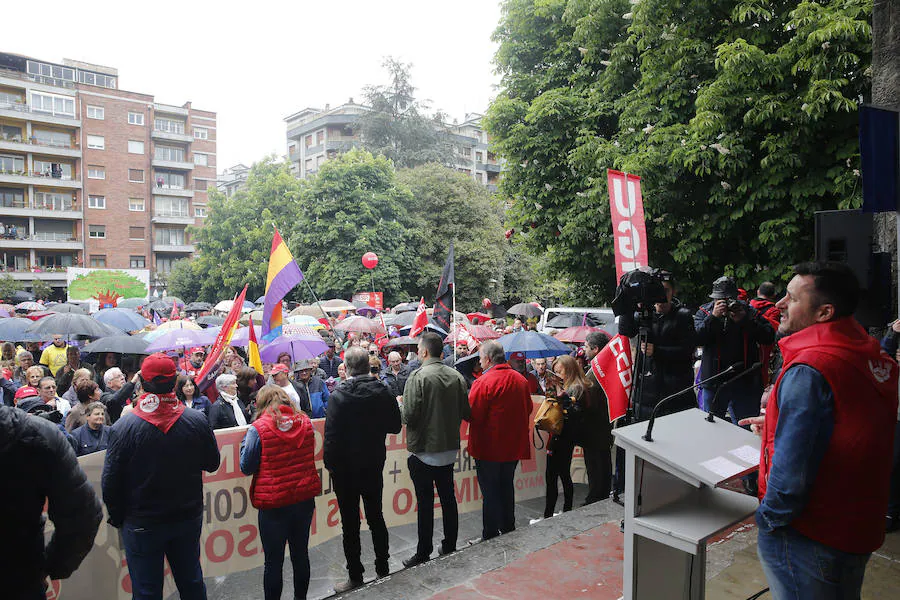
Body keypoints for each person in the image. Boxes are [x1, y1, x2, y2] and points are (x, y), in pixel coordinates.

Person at [739, 262, 898, 599]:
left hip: (811, 532)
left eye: (792, 298)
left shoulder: (812, 367)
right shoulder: (865, 354)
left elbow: (792, 475)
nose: (779, 304)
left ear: (825, 312)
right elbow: (852, 423)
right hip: (856, 524)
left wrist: (768, 521)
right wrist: (780, 425)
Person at [102, 352, 221, 600]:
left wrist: (119, 517)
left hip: (142, 522)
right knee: (191, 582)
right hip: (185, 516)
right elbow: (212, 463)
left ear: (141, 382)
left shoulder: (123, 427)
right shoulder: (196, 420)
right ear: (175, 382)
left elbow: (110, 482)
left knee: (147, 591)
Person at [1, 400, 103, 598]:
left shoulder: (33, 433)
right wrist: (54, 565)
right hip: (20, 576)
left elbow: (83, 513)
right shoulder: (36, 432)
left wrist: (52, 564)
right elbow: (84, 515)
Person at [324, 347, 402, 592]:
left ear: (346, 368)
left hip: (346, 470)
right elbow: (395, 426)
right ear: (369, 367)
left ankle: (356, 576)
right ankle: (382, 567)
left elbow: (331, 438)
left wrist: (331, 467)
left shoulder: (339, 396)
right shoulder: (383, 391)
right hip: (372, 463)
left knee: (350, 524)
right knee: (376, 516)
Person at [240, 385, 321, 600]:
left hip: (274, 503)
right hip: (303, 498)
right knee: (300, 554)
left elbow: (246, 466)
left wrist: (244, 445)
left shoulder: (257, 429)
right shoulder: (305, 422)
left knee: (273, 562)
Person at [401, 332, 471, 567]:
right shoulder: (456, 376)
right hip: (448, 449)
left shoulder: (418, 376)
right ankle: (449, 543)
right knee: (449, 499)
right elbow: (466, 412)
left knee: (425, 504)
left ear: (423, 351)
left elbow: (409, 416)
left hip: (423, 451)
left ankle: (423, 551)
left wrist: (400, 407)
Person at [468, 340, 532, 541]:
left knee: (490, 493)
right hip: (512, 447)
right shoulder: (521, 380)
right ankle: (508, 527)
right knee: (506, 488)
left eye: (480, 359)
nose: (479, 362)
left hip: (489, 448)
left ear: (487, 359)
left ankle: (490, 534)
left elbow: (473, 415)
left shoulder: (484, 382)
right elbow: (528, 408)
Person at [617, 270, 697, 421]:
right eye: (657, 290)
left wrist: (657, 351)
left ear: (673, 291)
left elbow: (687, 351)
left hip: (675, 394)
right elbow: (625, 331)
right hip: (646, 394)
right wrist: (627, 301)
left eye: (665, 290)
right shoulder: (642, 313)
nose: (660, 295)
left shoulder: (683, 316)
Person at [694, 276, 774, 423]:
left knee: (745, 426)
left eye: (728, 299)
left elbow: (768, 336)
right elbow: (696, 338)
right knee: (711, 427)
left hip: (744, 381)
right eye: (720, 300)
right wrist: (714, 318)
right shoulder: (704, 312)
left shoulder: (748, 312)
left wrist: (744, 321)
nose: (725, 304)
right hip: (714, 381)